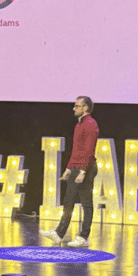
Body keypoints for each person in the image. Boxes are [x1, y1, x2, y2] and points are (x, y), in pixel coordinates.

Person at [41, 96, 99, 248]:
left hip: (86, 167)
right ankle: (59, 233)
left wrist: (83, 172)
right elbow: (76, 150)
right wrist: (68, 168)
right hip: (76, 167)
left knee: (86, 202)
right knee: (68, 201)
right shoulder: (79, 125)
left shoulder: (91, 124)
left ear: (85, 108)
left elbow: (88, 150)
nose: (74, 109)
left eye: (77, 106)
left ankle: (83, 236)